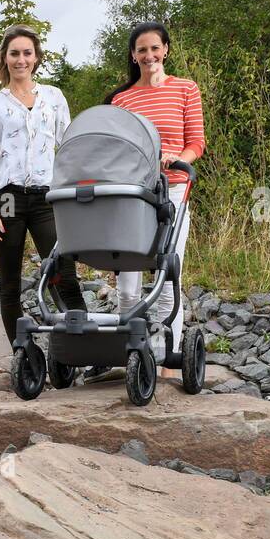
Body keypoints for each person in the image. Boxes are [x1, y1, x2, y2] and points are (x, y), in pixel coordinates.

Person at [105, 21, 205, 380]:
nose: (149, 55)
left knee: (168, 271)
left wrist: (178, 156)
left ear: (166, 50)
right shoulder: (122, 99)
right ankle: (129, 351)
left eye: (154, 48)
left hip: (173, 188)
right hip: (133, 193)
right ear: (133, 55)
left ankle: (168, 358)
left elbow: (197, 142)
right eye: (141, 50)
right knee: (128, 277)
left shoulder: (185, 89)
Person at [0, 24, 82, 344]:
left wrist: (77, 193)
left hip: (47, 198)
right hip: (8, 199)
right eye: (14, 54)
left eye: (26, 53)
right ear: (5, 58)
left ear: (36, 58)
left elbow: (69, 147)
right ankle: (22, 354)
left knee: (62, 273)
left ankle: (81, 348)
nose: (20, 59)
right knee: (9, 282)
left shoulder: (53, 97)